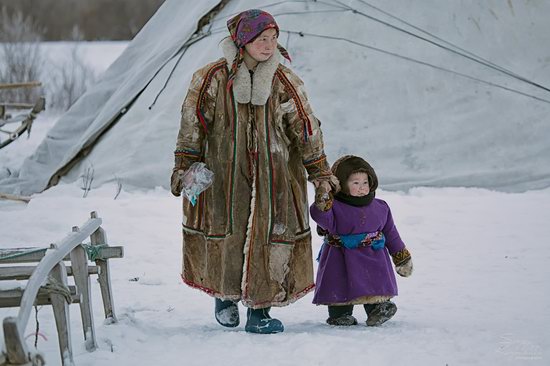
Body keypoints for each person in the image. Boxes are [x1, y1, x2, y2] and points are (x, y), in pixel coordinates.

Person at [170, 9, 337, 334]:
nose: (269, 45)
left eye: (274, 38)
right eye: (262, 39)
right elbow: (192, 124)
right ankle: (225, 297)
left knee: (269, 238)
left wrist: (319, 171)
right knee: (226, 236)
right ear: (243, 40)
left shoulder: (284, 80)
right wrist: (185, 167)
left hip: (273, 179)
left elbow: (306, 129)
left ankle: (260, 312)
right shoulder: (211, 78)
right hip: (223, 179)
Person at [310, 155, 413, 326]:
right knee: (339, 284)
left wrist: (401, 257)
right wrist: (323, 198)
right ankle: (340, 313)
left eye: (365, 182)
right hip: (341, 257)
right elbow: (320, 216)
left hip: (374, 256)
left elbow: (391, 233)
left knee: (375, 283)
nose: (361, 188)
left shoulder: (380, 207)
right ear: (342, 184)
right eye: (355, 183)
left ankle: (378, 309)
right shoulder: (334, 207)